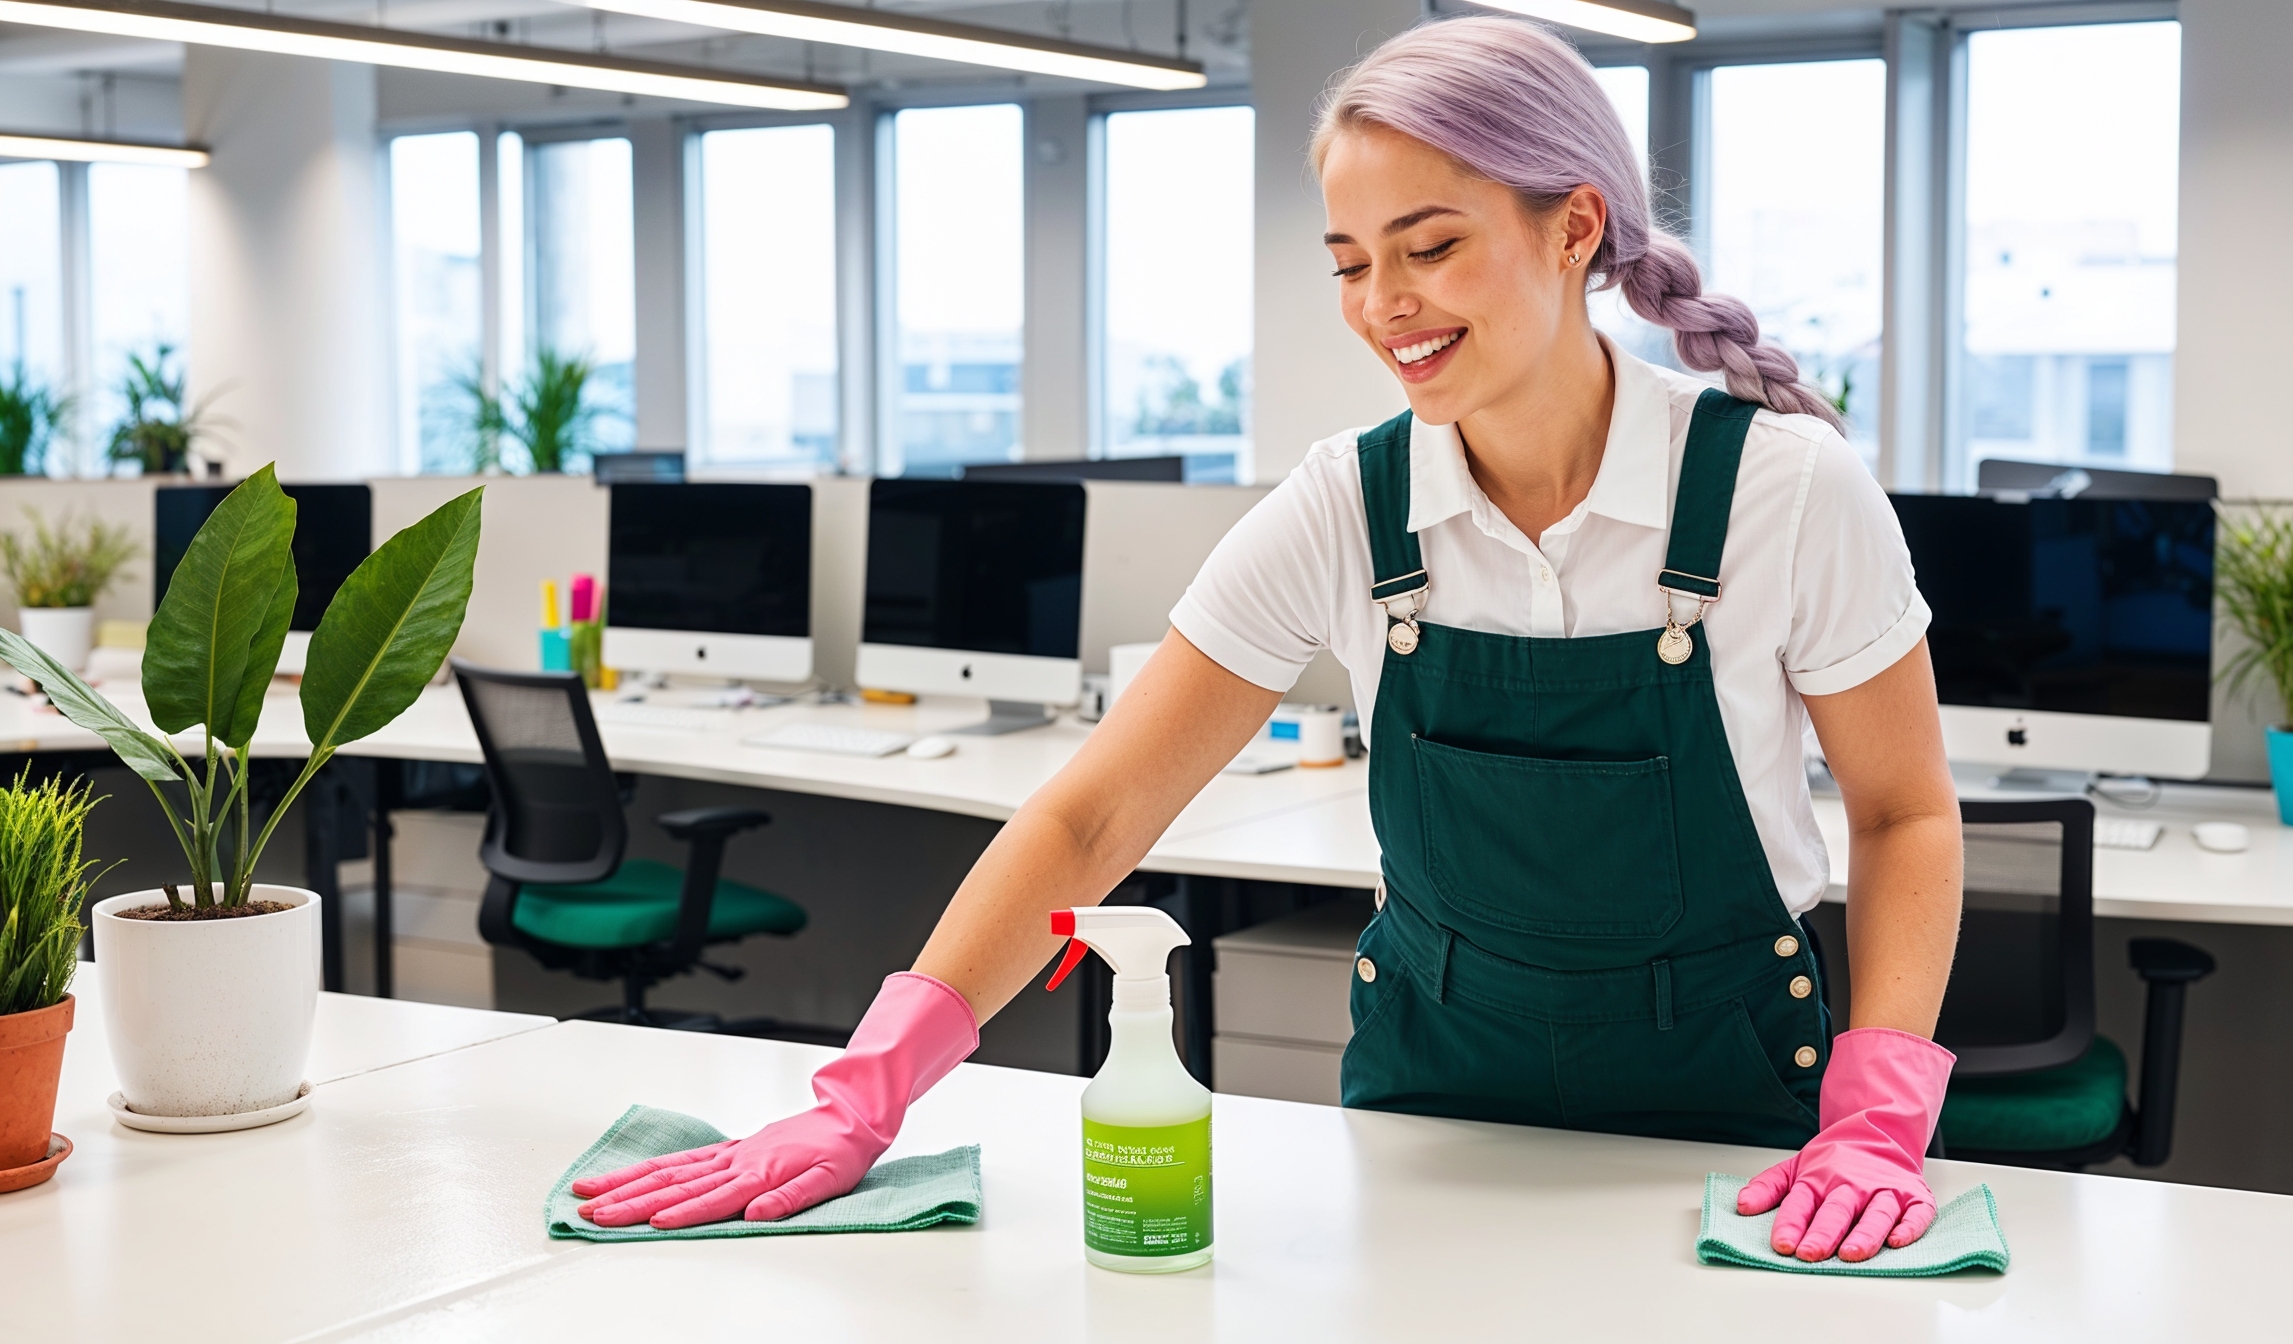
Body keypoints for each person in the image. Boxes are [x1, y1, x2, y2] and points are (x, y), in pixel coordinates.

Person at [572, 15, 1964, 1265]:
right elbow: (1095, 811)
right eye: (1353, 263)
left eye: (1430, 247)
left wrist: (1882, 1110)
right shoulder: (1348, 506)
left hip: (1733, 1132)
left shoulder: (1783, 491)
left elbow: (1902, 814)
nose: (1384, 305)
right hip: (1431, 1109)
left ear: (1576, 227)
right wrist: (865, 1092)